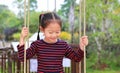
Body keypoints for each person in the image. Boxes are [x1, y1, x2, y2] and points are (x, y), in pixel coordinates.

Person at [17, 12, 88, 73]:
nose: (54, 35)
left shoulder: (63, 45)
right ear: (42, 29)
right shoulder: (37, 45)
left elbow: (77, 58)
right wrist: (22, 38)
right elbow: (22, 57)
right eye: (50, 32)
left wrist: (82, 46)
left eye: (57, 32)